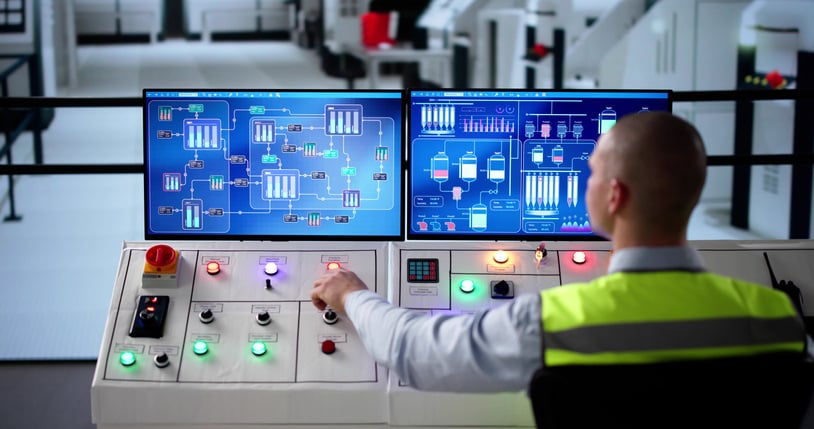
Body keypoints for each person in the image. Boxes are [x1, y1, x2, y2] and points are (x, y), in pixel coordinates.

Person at [310, 111, 809, 393]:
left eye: (591, 172)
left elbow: (411, 352)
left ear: (614, 196)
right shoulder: (779, 320)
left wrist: (353, 294)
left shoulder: (555, 322)